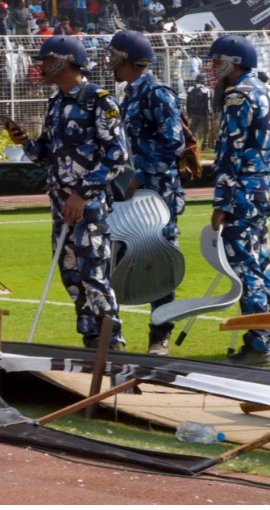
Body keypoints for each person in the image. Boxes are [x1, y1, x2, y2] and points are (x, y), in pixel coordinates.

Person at [8, 35, 131, 350]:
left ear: (64, 61)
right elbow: (48, 156)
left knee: (94, 275)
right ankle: (91, 338)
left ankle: (111, 341)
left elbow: (116, 156)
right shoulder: (58, 102)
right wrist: (25, 143)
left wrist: (82, 194)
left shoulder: (99, 101)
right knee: (71, 276)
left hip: (88, 207)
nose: (42, 67)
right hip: (61, 207)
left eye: (47, 61)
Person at [108, 30, 185, 356]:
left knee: (158, 264)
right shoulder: (129, 95)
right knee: (120, 259)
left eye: (114, 56)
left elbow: (174, 144)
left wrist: (141, 175)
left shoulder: (157, 93)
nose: (110, 61)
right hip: (130, 195)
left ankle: (160, 337)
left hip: (157, 196)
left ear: (127, 59)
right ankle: (112, 338)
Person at [210, 34, 270, 367]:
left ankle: (258, 344)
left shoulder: (237, 96)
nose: (213, 67)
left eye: (217, 60)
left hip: (241, 192)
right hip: (262, 186)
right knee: (262, 265)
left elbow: (229, 152)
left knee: (245, 269)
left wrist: (221, 202)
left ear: (233, 62)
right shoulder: (267, 91)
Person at [186, 74, 213, 149]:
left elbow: (187, 102)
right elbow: (208, 103)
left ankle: (190, 144)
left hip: (193, 112)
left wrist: (188, 112)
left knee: (192, 129)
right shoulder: (205, 90)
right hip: (203, 113)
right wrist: (210, 112)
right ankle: (205, 145)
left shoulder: (190, 89)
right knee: (206, 129)